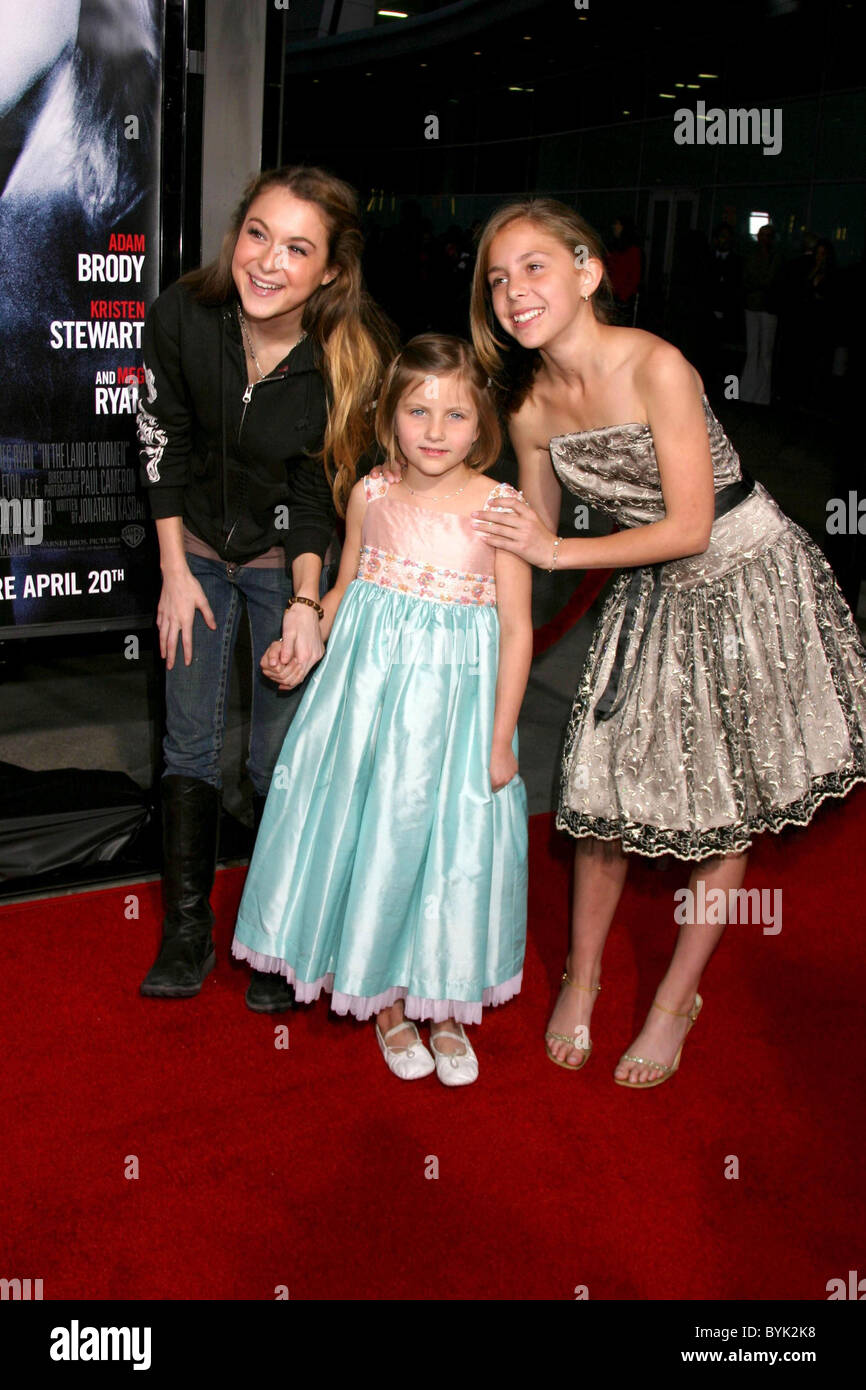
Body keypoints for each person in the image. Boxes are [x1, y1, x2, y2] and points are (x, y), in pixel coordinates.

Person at [464, 196, 866, 1087]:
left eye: (534, 266)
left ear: (588, 272)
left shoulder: (657, 367)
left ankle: (676, 997)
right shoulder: (529, 406)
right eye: (498, 278)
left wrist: (556, 548)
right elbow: (527, 539)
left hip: (746, 577)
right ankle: (583, 975)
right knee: (600, 779)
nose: (514, 290)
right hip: (648, 590)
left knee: (726, 798)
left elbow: (687, 525)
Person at [231, 335, 532, 1085]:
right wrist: (307, 635)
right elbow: (343, 587)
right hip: (364, 710)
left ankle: (448, 1003)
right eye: (418, 410)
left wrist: (500, 741)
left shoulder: (501, 510)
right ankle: (387, 1001)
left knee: (448, 854)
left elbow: (519, 630)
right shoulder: (370, 493)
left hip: (458, 718)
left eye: (456, 414)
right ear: (390, 416)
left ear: (483, 423)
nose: (435, 430)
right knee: (377, 840)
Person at [137, 165, 396, 1011]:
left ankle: (275, 931)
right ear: (235, 233)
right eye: (258, 234)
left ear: (329, 270)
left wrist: (307, 607)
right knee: (188, 741)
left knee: (279, 756)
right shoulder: (183, 312)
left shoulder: (348, 358)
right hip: (198, 552)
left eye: (297, 248)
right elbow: (161, 443)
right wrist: (175, 572)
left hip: (288, 561)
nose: (268, 261)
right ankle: (186, 932)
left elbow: (322, 493)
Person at [739, 223, 782, 405]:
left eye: (768, 235)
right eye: (762, 235)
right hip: (754, 305)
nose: (764, 239)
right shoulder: (751, 255)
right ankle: (747, 393)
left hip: (767, 307)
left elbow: (770, 280)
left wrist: (757, 284)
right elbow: (748, 278)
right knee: (753, 351)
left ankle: (762, 395)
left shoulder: (775, 257)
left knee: (765, 352)